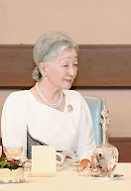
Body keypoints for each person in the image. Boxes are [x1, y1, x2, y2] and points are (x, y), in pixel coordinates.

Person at [1, 32, 95, 161]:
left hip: (73, 178)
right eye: (65, 65)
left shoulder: (76, 100)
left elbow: (88, 153)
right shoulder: (18, 102)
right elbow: (16, 159)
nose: (72, 72)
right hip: (34, 179)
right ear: (44, 68)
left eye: (75, 64)